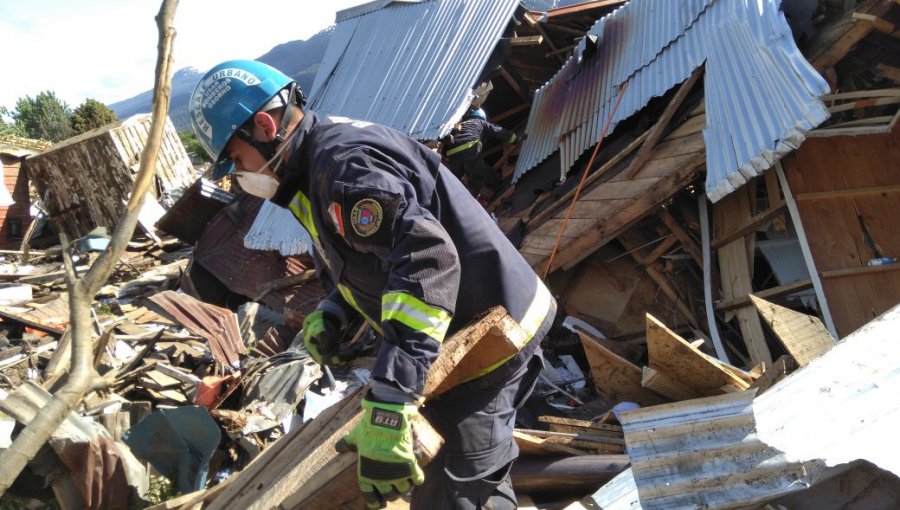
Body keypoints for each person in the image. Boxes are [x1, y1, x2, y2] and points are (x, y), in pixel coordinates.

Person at [189, 60, 556, 510]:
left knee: (459, 497)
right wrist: (336, 309)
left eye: (236, 160)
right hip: (462, 332)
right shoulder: (313, 169)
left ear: (264, 126)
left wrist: (392, 402)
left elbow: (428, 260)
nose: (239, 176)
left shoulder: (342, 168)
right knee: (459, 483)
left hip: (493, 333)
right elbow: (368, 254)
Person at [440, 107, 521, 195]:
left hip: (453, 157)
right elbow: (498, 131)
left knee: (458, 181)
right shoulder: (480, 122)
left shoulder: (460, 125)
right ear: (481, 116)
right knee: (482, 171)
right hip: (469, 151)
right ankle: (500, 186)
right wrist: (515, 139)